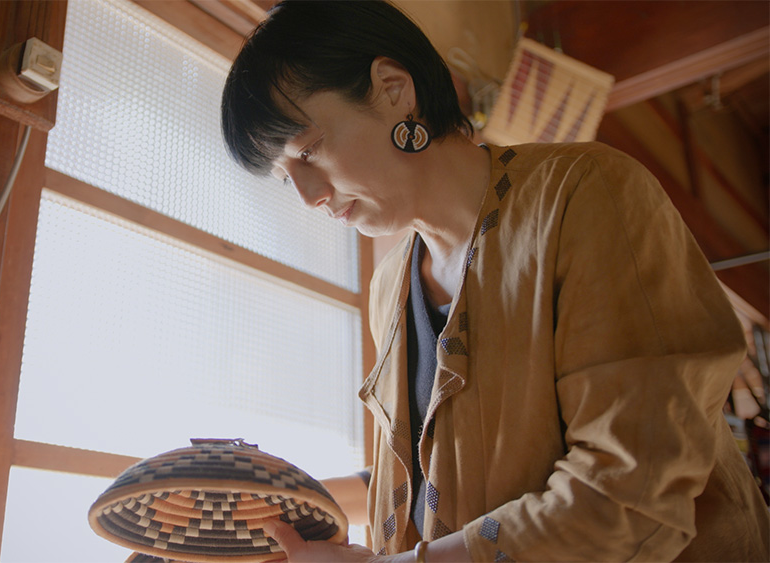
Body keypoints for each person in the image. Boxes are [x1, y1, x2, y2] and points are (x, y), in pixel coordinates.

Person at [220, 1, 770, 561]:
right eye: (286, 177)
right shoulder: (389, 286)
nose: (309, 196)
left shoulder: (585, 194)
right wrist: (284, 503)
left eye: (308, 150)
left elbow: (629, 491)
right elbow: (436, 476)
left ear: (393, 90)